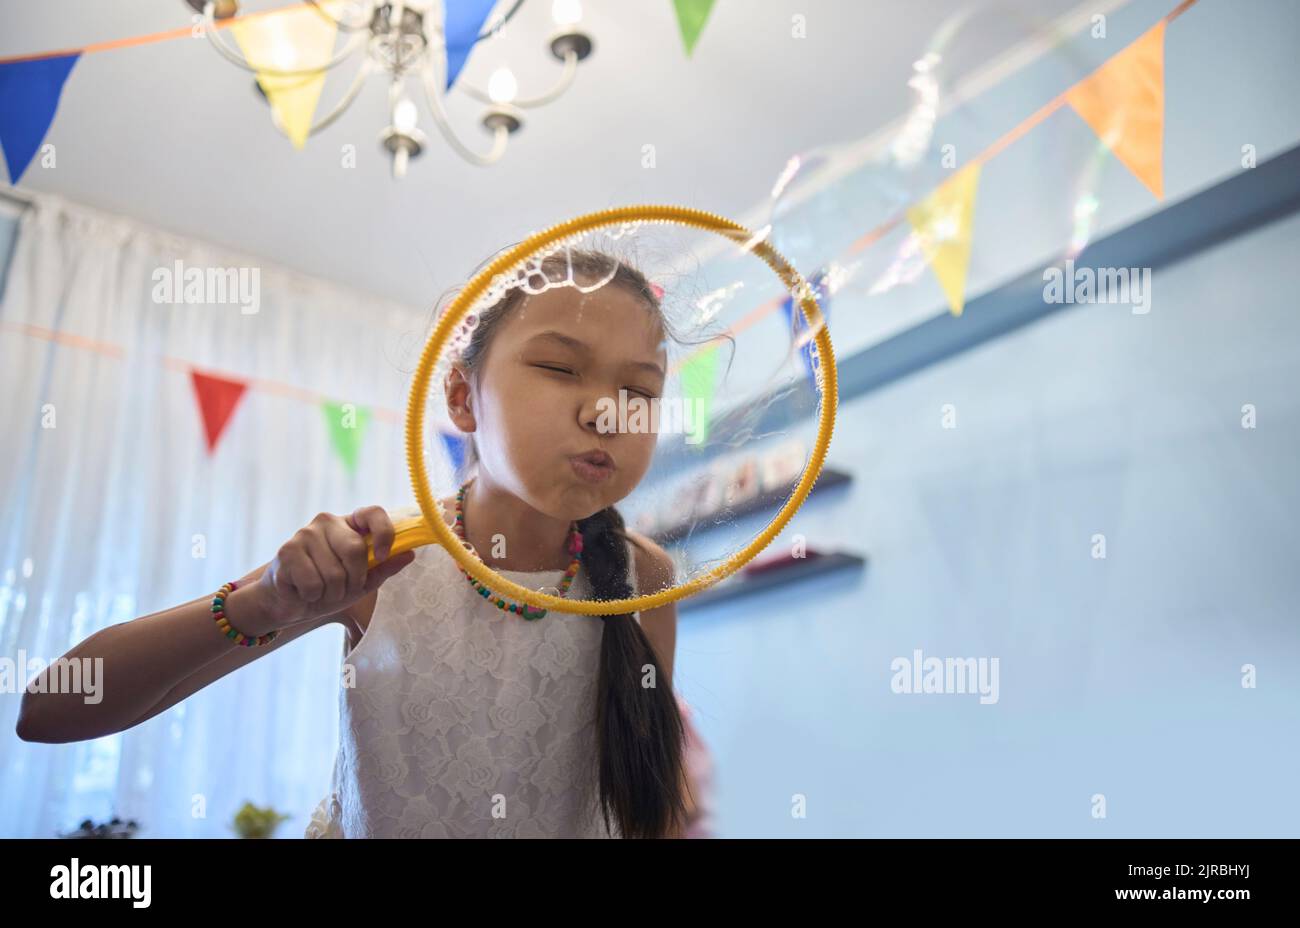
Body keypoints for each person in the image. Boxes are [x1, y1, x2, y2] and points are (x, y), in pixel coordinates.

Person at [18, 249, 702, 839]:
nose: (605, 411)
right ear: (463, 397)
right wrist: (262, 606)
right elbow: (47, 711)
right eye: (559, 367)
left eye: (639, 389)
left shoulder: (644, 576)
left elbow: (652, 803)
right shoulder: (380, 559)